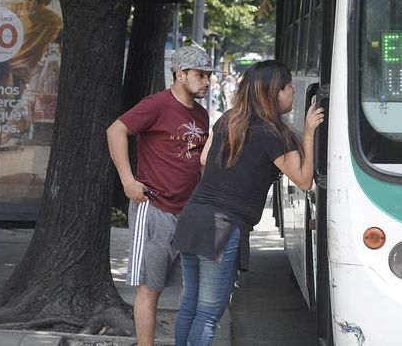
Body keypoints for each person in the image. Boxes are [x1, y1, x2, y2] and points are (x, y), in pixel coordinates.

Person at [171, 61, 324, 346]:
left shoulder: (229, 119)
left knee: (190, 306)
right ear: (274, 93)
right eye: (289, 86)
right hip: (222, 227)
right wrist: (309, 132)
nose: (293, 91)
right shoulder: (274, 135)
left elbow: (203, 159)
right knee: (208, 314)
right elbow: (304, 180)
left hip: (192, 217)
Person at [107, 46, 214, 346]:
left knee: (188, 291)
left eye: (208, 75)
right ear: (180, 75)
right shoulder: (156, 104)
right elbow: (115, 131)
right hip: (154, 209)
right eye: (200, 75)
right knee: (149, 290)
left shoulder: (202, 114)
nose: (206, 81)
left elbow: (199, 162)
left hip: (188, 214)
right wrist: (127, 180)